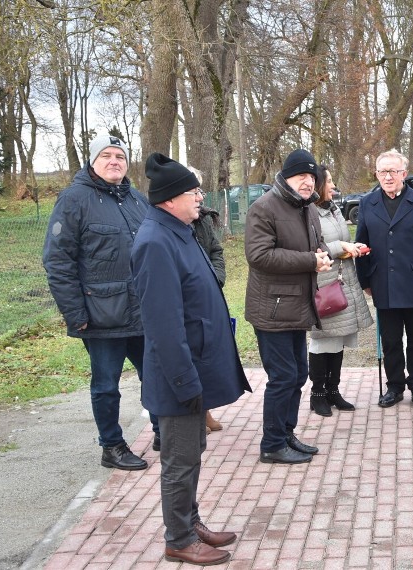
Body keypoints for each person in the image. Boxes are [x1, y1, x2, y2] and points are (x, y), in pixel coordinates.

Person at [131, 153, 250, 566]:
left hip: (194, 368)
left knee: (192, 452)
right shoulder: (154, 242)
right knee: (179, 461)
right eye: (193, 192)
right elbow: (163, 326)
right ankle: (178, 538)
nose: (200, 198)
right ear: (169, 199)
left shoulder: (179, 229)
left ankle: (190, 520)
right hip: (177, 377)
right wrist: (185, 383)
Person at [42, 133, 158, 471]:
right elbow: (57, 261)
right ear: (93, 162)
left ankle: (163, 429)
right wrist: (75, 314)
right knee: (106, 386)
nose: (114, 161)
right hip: (100, 315)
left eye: (119, 156)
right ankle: (112, 446)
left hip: (141, 311)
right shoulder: (74, 200)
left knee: (154, 374)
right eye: (106, 155)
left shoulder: (137, 200)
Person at [245, 149, 332, 464]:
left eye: (312, 177)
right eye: (301, 176)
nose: (308, 182)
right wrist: (310, 260)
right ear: (286, 177)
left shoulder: (307, 208)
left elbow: (315, 243)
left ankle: (286, 434)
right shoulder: (264, 208)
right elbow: (259, 255)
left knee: (298, 374)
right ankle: (271, 444)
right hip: (272, 309)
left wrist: (321, 254)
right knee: (283, 376)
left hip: (297, 306)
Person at [355, 149, 413, 409]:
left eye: (393, 171)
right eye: (383, 171)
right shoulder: (367, 203)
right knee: (390, 339)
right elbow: (362, 245)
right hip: (382, 282)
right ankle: (394, 386)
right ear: (377, 175)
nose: (388, 176)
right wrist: (365, 281)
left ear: (404, 174)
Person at [308, 165, 374, 416]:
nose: (334, 186)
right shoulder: (309, 212)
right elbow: (311, 245)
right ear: (318, 186)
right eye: (329, 181)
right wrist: (340, 247)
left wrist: (351, 246)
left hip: (342, 279)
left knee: (338, 340)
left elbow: (335, 241)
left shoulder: (332, 209)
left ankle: (333, 391)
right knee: (323, 340)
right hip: (325, 284)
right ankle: (317, 394)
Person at [187, 166, 226, 434]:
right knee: (191, 358)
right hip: (188, 299)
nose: (199, 195)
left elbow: (216, 251)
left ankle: (206, 408)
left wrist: (215, 280)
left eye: (200, 188)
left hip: (210, 294)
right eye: (194, 189)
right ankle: (194, 415)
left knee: (208, 356)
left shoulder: (203, 219)